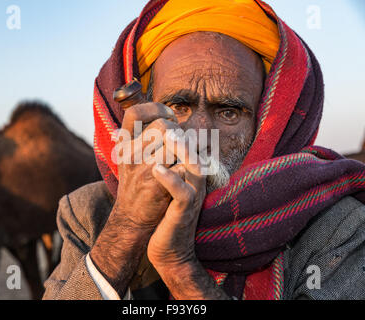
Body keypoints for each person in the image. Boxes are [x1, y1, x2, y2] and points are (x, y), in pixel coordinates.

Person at [43, 0, 365, 300]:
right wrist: (127, 227)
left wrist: (180, 268)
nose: (196, 136)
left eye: (228, 112)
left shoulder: (335, 226)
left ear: (268, 127)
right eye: (177, 107)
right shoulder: (89, 213)